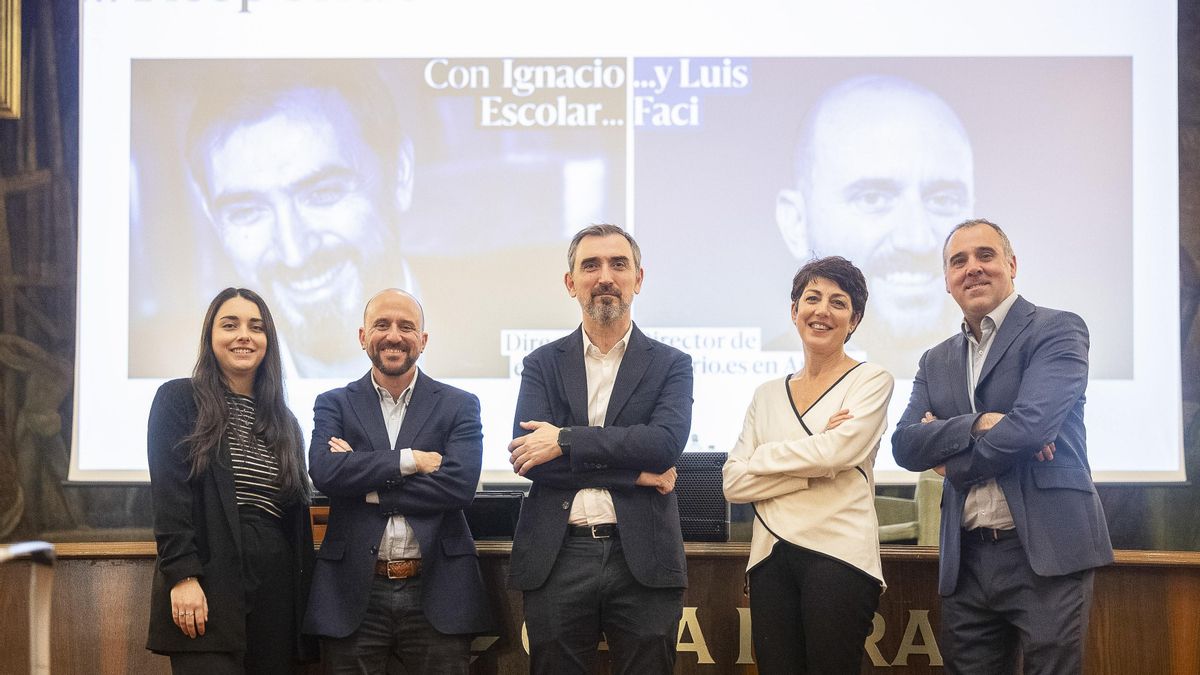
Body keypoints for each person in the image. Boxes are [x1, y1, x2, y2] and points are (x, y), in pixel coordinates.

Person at [891, 219, 1113, 674]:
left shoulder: (1057, 329)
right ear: (947, 281)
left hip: (1047, 552)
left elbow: (1031, 429)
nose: (972, 267)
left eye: (985, 255)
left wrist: (951, 460)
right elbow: (906, 445)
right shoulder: (935, 360)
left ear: (1012, 265)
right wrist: (981, 423)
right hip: (968, 559)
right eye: (958, 261)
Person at [507, 224, 692, 674]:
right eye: (590, 265)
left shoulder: (671, 364)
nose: (605, 276)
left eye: (618, 264)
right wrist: (632, 474)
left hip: (643, 558)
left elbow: (663, 445)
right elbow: (530, 460)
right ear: (571, 283)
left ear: (638, 279)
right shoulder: (542, 364)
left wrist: (564, 440)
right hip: (559, 556)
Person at [304, 289, 493, 673]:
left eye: (406, 327)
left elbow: (458, 486)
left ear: (423, 340)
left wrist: (364, 482)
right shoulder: (334, 403)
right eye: (382, 325)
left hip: (438, 589)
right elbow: (325, 471)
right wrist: (411, 461)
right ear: (363, 337)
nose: (393, 335)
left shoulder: (459, 404)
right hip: (352, 593)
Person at [186, 64, 416, 377]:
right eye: (247, 211)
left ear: (400, 173)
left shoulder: (479, 320)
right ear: (212, 218)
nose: (294, 254)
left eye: (323, 194)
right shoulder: (187, 377)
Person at [722, 256, 894, 674]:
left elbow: (837, 453)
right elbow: (733, 483)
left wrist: (764, 458)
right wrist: (815, 465)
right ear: (794, 310)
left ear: (854, 320)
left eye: (839, 302)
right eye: (812, 298)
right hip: (770, 559)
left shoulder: (871, 380)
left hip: (839, 556)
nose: (822, 311)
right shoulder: (766, 394)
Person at [146, 287, 316, 674]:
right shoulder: (178, 399)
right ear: (210, 336)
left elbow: (294, 519)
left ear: (268, 342)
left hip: (275, 588)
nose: (244, 335)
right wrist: (183, 576)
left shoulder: (286, 424)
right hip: (207, 578)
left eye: (256, 327)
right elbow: (169, 497)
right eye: (230, 325)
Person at [775, 74, 975, 377]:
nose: (917, 239)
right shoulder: (769, 391)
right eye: (873, 199)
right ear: (796, 223)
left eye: (943, 200)